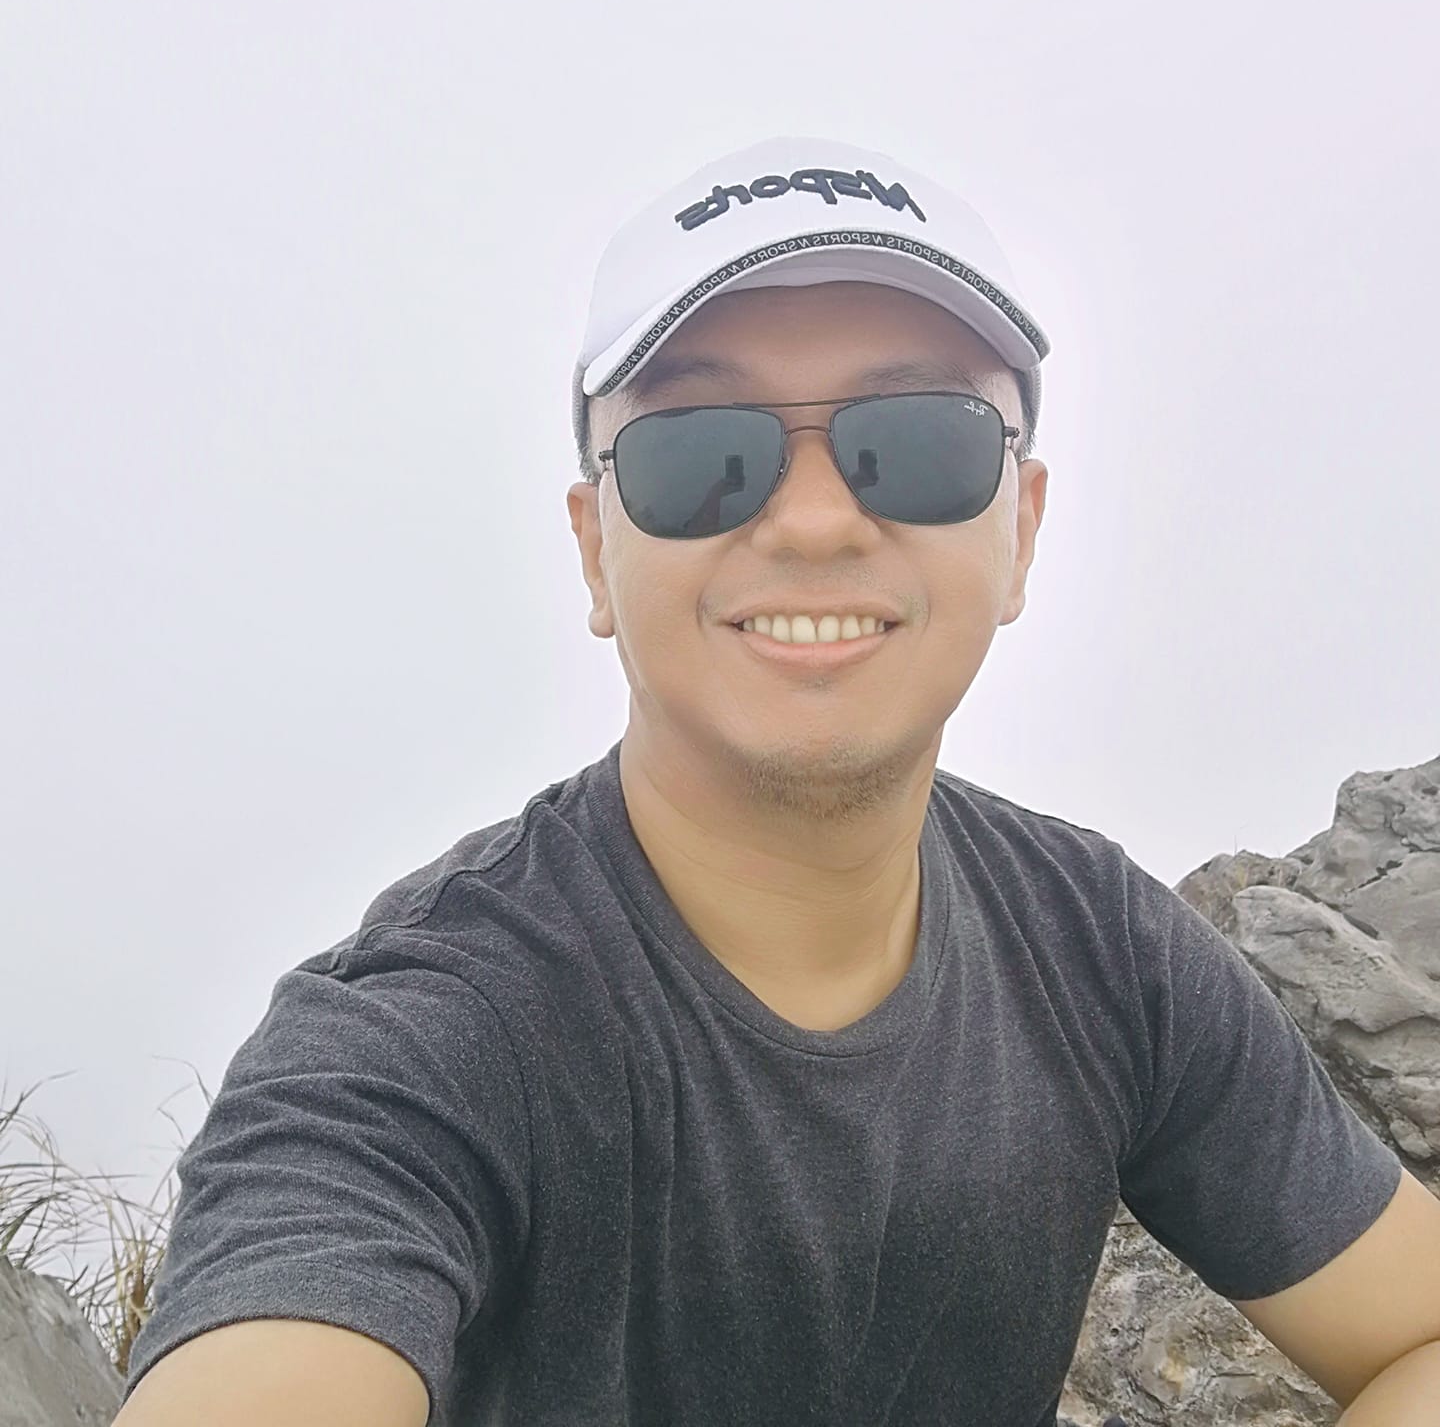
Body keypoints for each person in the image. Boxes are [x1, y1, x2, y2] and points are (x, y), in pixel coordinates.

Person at [115, 136, 1405, 1426]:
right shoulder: (419, 1039)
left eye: (920, 440)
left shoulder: (1099, 948)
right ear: (595, 551)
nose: (814, 520)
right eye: (700, 454)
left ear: (1022, 529)